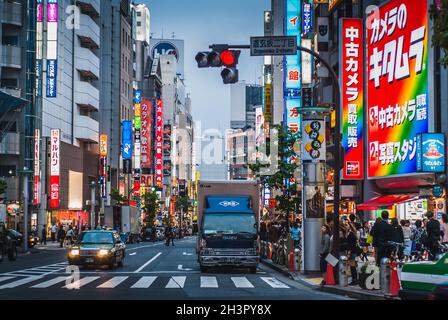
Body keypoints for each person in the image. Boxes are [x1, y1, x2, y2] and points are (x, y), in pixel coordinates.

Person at [346, 214, 359, 285]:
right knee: (352, 264)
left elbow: (350, 244)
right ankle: (354, 279)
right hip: (353, 250)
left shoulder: (351, 234)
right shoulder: (354, 233)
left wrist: (348, 252)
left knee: (352, 265)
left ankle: (354, 279)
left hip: (352, 251)